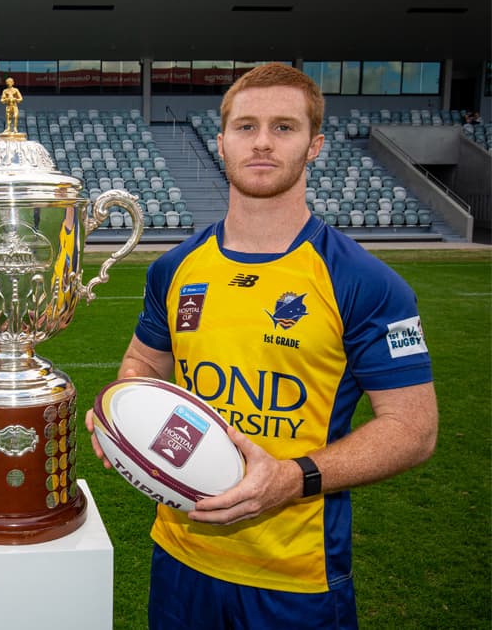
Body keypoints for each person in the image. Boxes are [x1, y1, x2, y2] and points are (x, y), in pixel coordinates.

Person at [86, 62, 438, 629]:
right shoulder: (175, 269)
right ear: (221, 141)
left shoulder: (364, 281)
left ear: (314, 145)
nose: (263, 143)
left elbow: (413, 430)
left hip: (294, 579)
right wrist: (123, 414)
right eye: (246, 127)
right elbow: (143, 362)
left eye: (284, 127)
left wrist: (293, 477)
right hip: (181, 558)